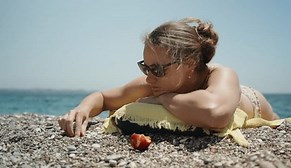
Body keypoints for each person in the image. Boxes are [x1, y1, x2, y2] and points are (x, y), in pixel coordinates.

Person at [58, 17, 279, 137]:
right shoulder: (153, 83)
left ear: (190, 64)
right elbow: (104, 97)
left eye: (158, 69)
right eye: (146, 67)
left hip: (256, 104)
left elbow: (215, 113)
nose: (149, 76)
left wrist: (163, 99)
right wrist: (83, 109)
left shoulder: (221, 74)